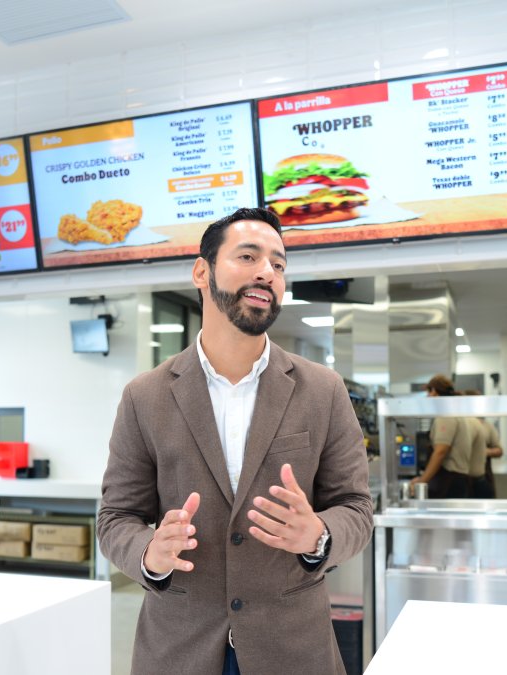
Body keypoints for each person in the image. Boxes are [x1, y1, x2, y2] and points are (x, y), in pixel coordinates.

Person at [97, 208, 373, 674]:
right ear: (201, 271)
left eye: (279, 264)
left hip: (290, 648)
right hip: (179, 647)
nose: (267, 271)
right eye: (248, 256)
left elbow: (356, 509)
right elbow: (116, 517)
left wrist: (319, 536)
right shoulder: (145, 396)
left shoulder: (322, 389)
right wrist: (150, 552)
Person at [409, 375, 475, 499]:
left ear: (434, 391)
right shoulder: (455, 411)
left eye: (428, 392)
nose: (428, 397)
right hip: (457, 480)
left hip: (450, 482)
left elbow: (440, 452)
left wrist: (422, 480)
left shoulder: (446, 414)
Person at [462, 389, 502, 499]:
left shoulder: (486, 426)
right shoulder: (460, 423)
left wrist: (483, 451)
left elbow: (499, 450)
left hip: (482, 475)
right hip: (462, 477)